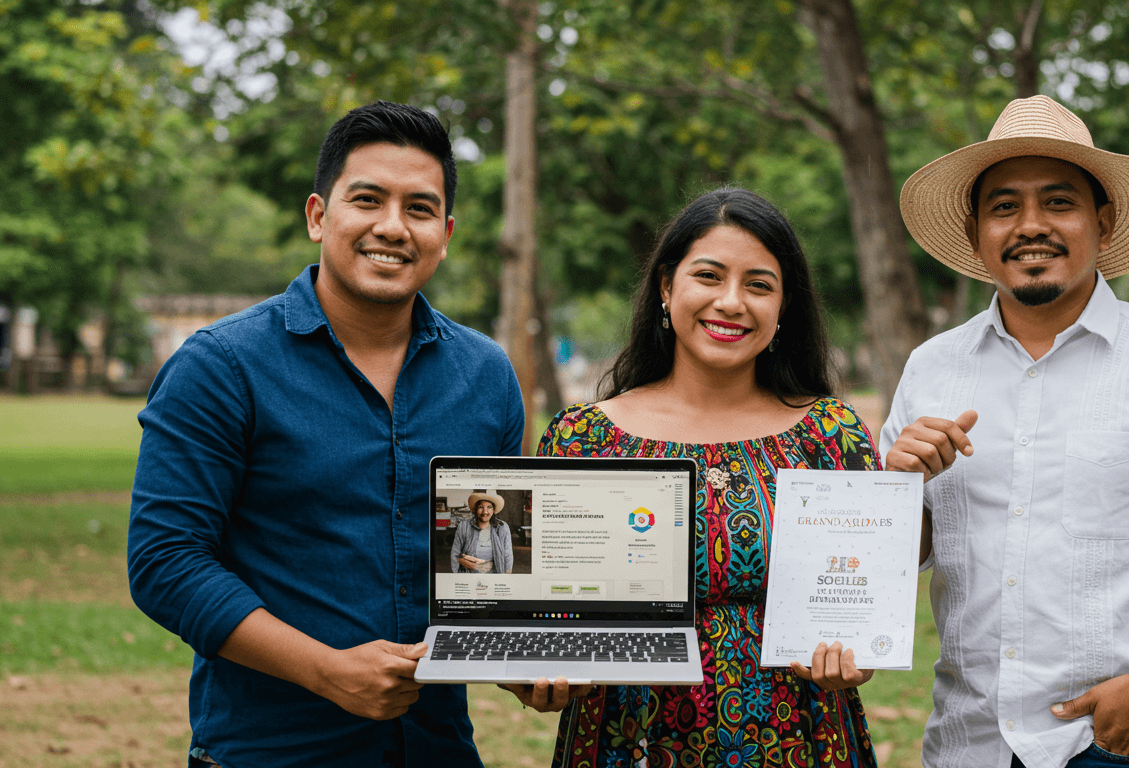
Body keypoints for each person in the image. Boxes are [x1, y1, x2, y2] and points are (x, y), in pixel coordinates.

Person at [880, 94, 1129, 768]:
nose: (1031, 225)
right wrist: (898, 489)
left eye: (1059, 202)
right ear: (977, 230)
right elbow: (899, 558)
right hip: (966, 742)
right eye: (1005, 206)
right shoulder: (933, 368)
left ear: (1103, 223)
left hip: (1116, 742)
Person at [127, 101, 524, 768]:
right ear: (319, 216)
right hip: (270, 752)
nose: (393, 227)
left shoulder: (485, 376)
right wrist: (323, 670)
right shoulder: (221, 366)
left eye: (420, 209)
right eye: (368, 199)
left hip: (437, 751)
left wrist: (517, 660)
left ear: (446, 232)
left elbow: (484, 568)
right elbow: (166, 560)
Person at [513, 188, 882, 768]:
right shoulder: (581, 437)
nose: (731, 302)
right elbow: (543, 613)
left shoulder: (829, 433)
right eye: (708, 276)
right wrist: (536, 670)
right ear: (667, 287)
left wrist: (857, 654)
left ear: (785, 307)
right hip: (625, 739)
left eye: (759, 285)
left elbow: (867, 593)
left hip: (798, 741)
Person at [451, 492, 513, 574]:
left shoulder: (502, 527)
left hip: (495, 574)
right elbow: (455, 554)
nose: (485, 512)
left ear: (493, 510)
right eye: (481, 507)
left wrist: (507, 576)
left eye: (489, 507)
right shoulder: (464, 526)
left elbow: (507, 555)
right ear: (475, 509)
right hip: (469, 574)